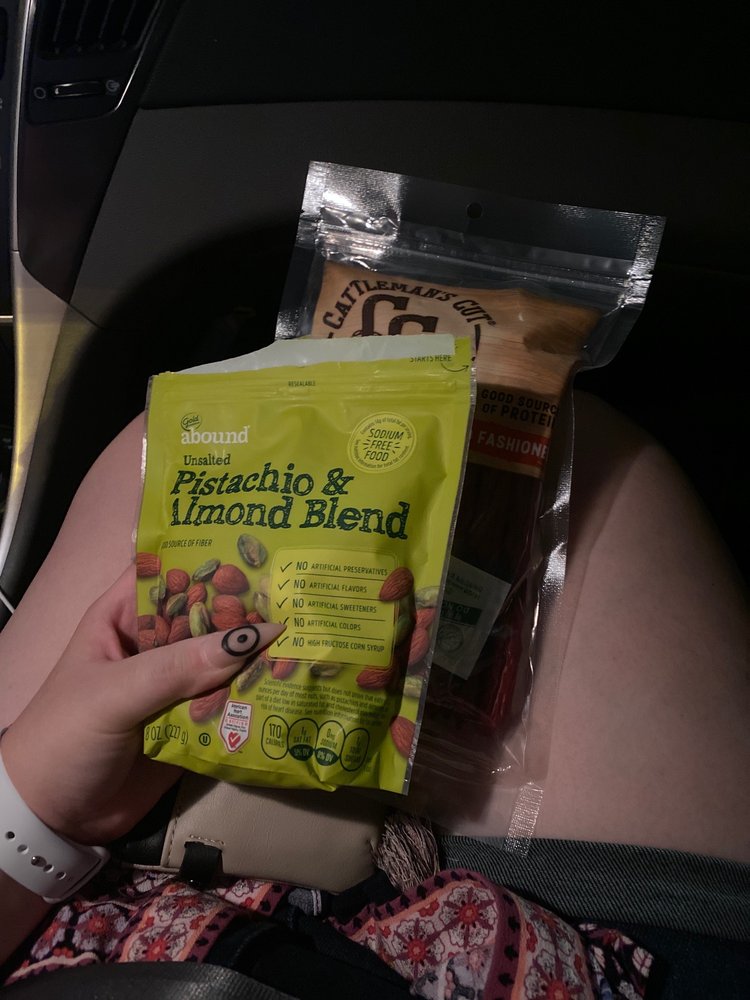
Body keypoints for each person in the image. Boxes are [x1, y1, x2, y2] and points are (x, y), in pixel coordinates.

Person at [0, 392, 747, 996]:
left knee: (169, 440)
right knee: (557, 440)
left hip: (85, 899)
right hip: (567, 950)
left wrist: (35, 814)